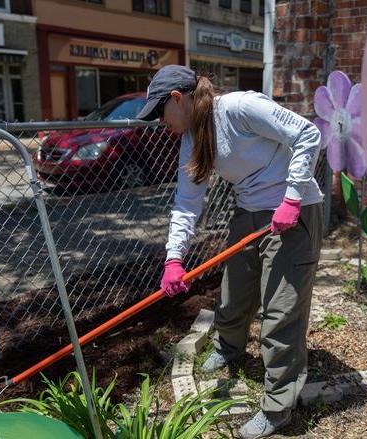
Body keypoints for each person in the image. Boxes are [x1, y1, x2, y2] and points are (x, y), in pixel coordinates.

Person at [137, 65, 323, 439]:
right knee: (234, 293)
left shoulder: (239, 107)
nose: (161, 122)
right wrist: (174, 257)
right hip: (249, 213)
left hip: (293, 213)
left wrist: (291, 198)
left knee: (280, 312)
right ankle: (228, 346)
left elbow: (308, 132)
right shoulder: (193, 138)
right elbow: (187, 203)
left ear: (178, 98)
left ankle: (277, 408)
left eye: (161, 112)